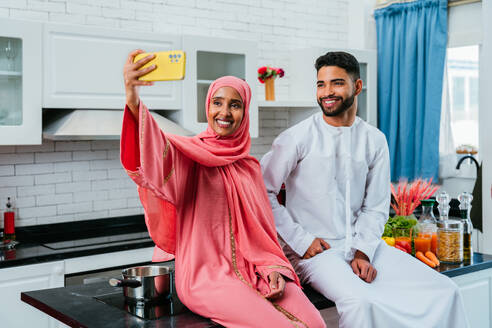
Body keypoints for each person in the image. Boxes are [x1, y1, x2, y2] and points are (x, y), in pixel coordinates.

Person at [260, 51, 469, 328]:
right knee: (361, 303)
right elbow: (263, 191)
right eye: (321, 84)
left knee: (446, 291)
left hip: (365, 245)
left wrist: (362, 251)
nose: (327, 92)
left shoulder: (374, 140)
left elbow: (377, 205)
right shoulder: (297, 137)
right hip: (315, 253)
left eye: (336, 83)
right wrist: (301, 240)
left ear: (357, 87)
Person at [120, 49, 326, 328]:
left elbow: (264, 234)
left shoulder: (249, 167)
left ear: (245, 111)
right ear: (208, 106)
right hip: (206, 277)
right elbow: (153, 157)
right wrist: (133, 99)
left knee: (316, 323)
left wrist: (273, 267)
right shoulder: (187, 156)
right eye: (217, 102)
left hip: (255, 269)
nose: (225, 112)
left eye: (235, 104)